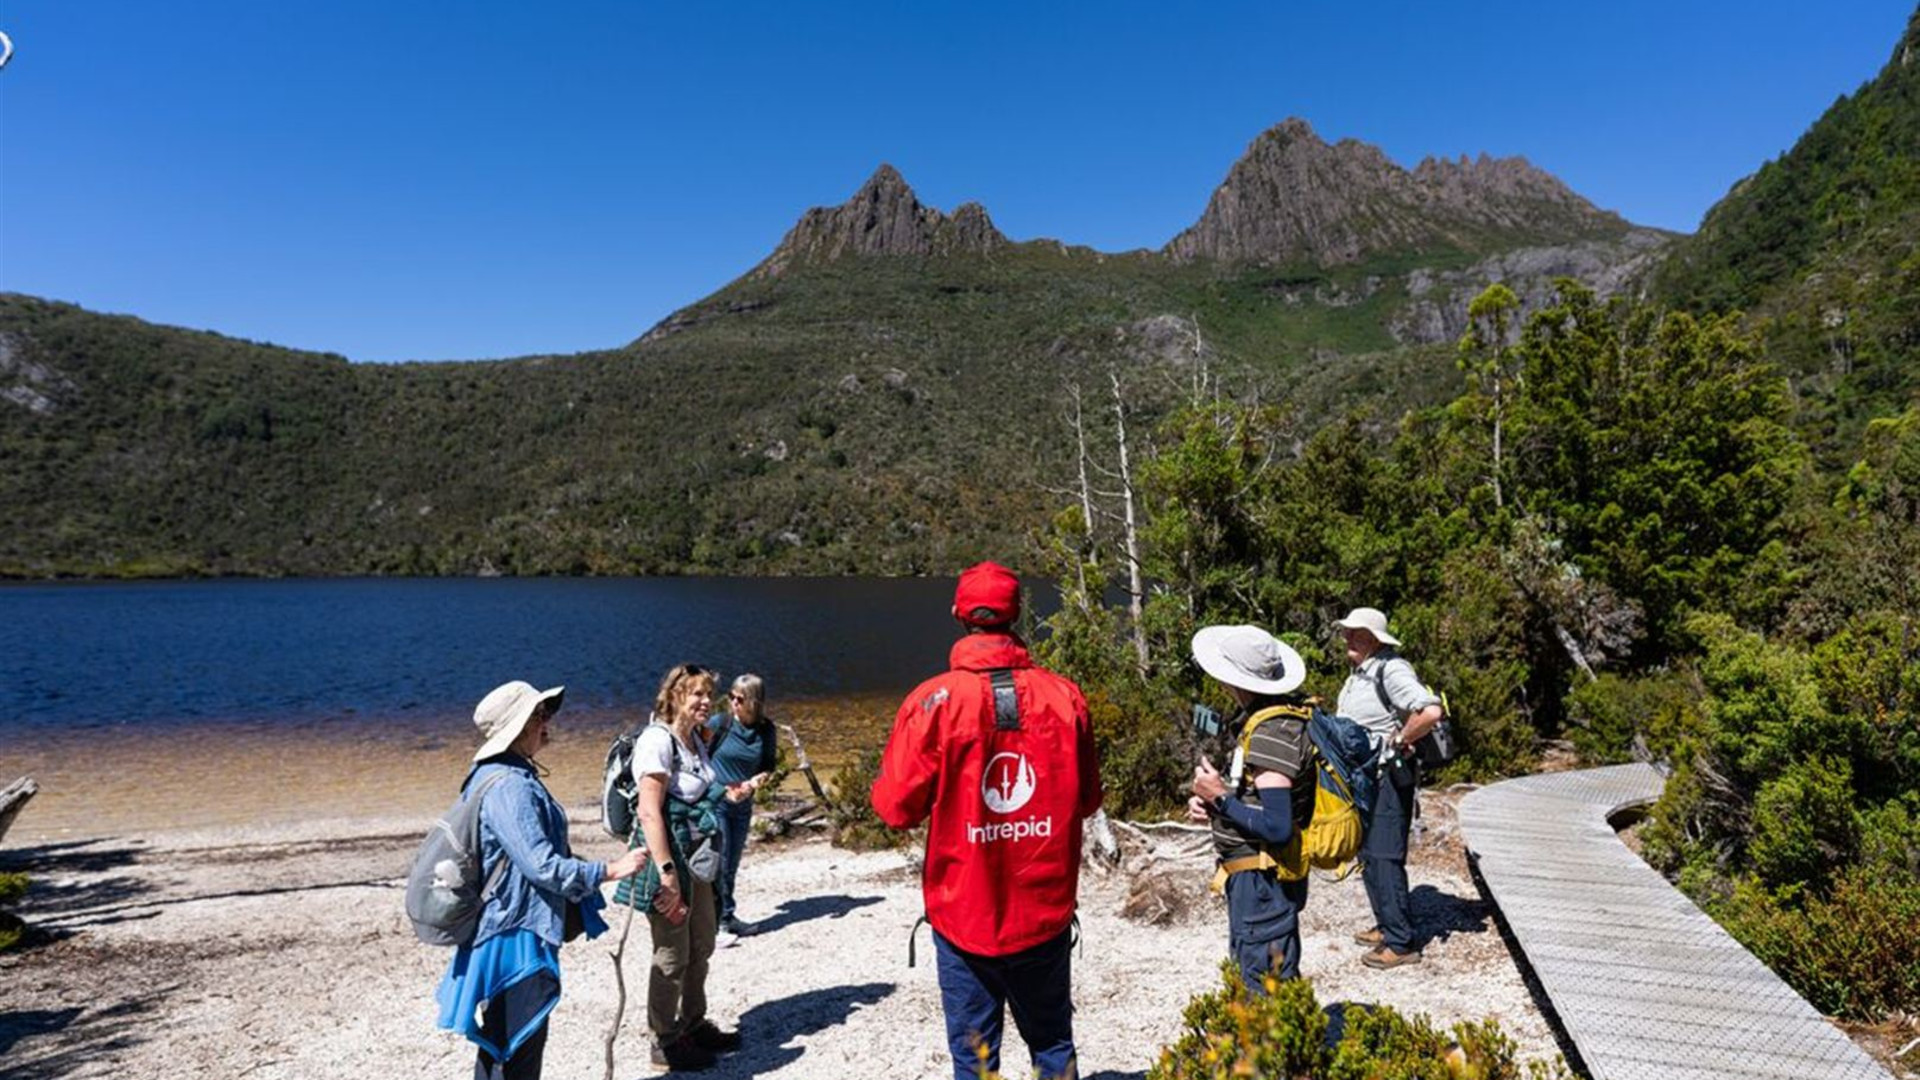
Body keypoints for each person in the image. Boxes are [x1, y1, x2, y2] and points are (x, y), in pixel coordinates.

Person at [871, 561, 1103, 1080]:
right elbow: (1087, 799)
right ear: (1017, 614)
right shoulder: (1065, 697)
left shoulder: (932, 702)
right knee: (1053, 1046)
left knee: (975, 1062)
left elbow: (894, 809)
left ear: (958, 614)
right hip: (1044, 910)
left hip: (963, 915)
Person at [435, 680, 648, 1080]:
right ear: (518, 726)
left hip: (511, 926)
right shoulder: (510, 785)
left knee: (508, 1042)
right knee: (514, 1046)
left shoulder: (502, 775)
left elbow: (531, 860)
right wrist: (609, 870)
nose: (547, 722)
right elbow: (543, 867)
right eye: (539, 714)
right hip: (514, 933)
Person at [612, 664, 755, 1072]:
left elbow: (696, 793)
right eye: (696, 694)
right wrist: (668, 874)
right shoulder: (657, 742)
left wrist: (728, 794)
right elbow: (649, 813)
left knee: (702, 945)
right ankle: (664, 1040)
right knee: (672, 955)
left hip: (699, 863)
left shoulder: (694, 739)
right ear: (674, 696)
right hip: (668, 861)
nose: (706, 702)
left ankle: (693, 1023)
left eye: (709, 694)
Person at [1186, 625, 1318, 992]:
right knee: (1260, 977)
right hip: (1258, 877)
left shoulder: (1271, 731)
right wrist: (1216, 805)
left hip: (1263, 881)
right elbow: (1261, 800)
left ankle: (1274, 1051)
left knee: (1265, 988)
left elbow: (1276, 825)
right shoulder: (1271, 719)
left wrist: (1220, 798)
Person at [1333, 606, 1443, 971]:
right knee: (1368, 853)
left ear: (1375, 639)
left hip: (1388, 777)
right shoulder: (1360, 673)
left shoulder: (1390, 668)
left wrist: (1399, 739)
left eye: (1357, 633)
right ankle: (1387, 925)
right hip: (1366, 779)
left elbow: (1430, 711)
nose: (1349, 638)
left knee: (1384, 854)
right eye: (1347, 632)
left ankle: (1401, 942)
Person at [706, 673, 777, 945]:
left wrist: (759, 780)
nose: (733, 702)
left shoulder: (765, 730)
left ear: (754, 702)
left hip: (744, 803)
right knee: (720, 862)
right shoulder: (719, 724)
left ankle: (727, 916)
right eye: (731, 697)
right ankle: (717, 925)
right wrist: (721, 790)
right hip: (717, 802)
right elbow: (697, 758)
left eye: (740, 698)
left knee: (732, 864)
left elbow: (768, 764)